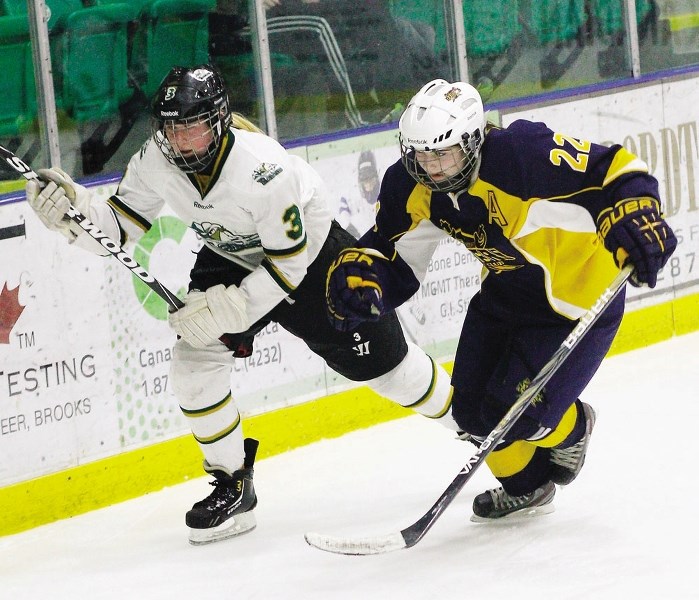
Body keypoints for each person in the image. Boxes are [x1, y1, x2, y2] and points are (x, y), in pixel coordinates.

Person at [24, 65, 459, 545]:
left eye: (192, 127)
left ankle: (475, 422)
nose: (181, 140)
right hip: (230, 253)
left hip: (310, 260)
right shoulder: (156, 160)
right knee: (193, 366)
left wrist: (228, 310)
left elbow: (287, 267)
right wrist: (74, 216)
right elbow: (121, 227)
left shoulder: (261, 169)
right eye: (172, 127)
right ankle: (235, 487)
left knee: (393, 373)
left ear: (218, 121)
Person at [326, 79, 677, 521]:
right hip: (507, 294)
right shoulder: (410, 183)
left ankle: (574, 428)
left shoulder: (522, 155)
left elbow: (614, 168)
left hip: (578, 301)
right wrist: (366, 276)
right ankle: (527, 487)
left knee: (524, 416)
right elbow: (392, 251)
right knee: (472, 414)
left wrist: (636, 210)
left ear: (473, 141)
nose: (430, 168)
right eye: (420, 153)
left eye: (442, 153)